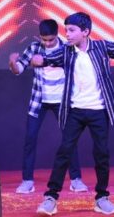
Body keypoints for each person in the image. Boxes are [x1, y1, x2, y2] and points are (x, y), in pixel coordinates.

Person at [31, 12, 114, 217]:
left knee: (102, 153)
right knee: (64, 151)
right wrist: (37, 60)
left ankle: (102, 198)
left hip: (99, 110)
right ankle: (51, 198)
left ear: (85, 32)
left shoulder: (101, 47)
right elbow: (45, 59)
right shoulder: (66, 52)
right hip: (75, 111)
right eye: (66, 30)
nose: (67, 34)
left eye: (72, 30)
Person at [9, 20, 87, 194]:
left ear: (57, 35)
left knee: (70, 140)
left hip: (62, 101)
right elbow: (18, 69)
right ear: (40, 37)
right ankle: (27, 181)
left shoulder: (68, 48)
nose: (48, 43)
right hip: (39, 101)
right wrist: (13, 63)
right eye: (44, 40)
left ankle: (76, 180)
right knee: (30, 139)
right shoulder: (33, 48)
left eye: (51, 40)